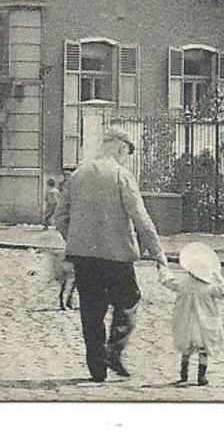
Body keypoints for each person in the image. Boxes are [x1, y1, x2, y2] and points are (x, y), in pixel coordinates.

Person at [53, 124, 169, 382]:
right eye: (126, 153)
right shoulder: (121, 176)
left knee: (91, 310)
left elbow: (59, 217)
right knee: (128, 300)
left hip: (83, 257)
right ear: (120, 147)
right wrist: (158, 252)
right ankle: (114, 349)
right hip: (117, 257)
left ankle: (97, 368)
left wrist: (75, 239)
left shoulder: (78, 175)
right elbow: (140, 217)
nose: (126, 158)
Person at [158, 240, 224, 387]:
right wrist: (217, 275)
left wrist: (163, 269)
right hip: (204, 323)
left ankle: (184, 374)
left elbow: (169, 282)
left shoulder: (183, 283)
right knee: (203, 350)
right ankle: (201, 377)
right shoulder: (209, 287)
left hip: (186, 322)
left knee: (186, 349)